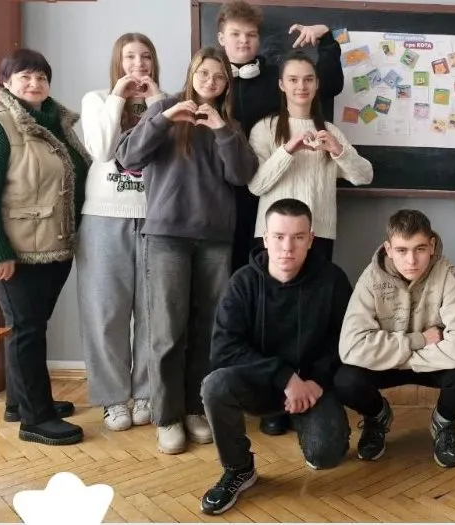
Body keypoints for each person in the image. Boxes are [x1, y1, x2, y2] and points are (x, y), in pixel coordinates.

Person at [115, 46, 258, 455]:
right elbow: (126, 157)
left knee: (207, 328)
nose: (210, 82)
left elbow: (243, 175)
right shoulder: (165, 109)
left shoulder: (229, 124)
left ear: (227, 84)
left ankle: (196, 408)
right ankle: (167, 416)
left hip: (215, 239)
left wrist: (221, 129)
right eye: (204, 73)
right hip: (167, 237)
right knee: (167, 330)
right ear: (192, 73)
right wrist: (162, 119)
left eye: (219, 76)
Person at [200, 199, 352, 516]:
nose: (288, 248)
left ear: (311, 239)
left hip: (310, 387)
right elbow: (224, 349)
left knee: (325, 455)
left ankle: (303, 421)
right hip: (259, 384)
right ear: (266, 239)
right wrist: (285, 378)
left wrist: (314, 382)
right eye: (279, 237)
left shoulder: (333, 280)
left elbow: (343, 341)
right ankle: (238, 468)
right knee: (215, 385)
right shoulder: (243, 282)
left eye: (298, 237)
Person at [0, 49, 90, 446]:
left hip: (51, 245)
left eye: (41, 77)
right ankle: (36, 418)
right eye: (24, 76)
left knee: (29, 326)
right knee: (27, 329)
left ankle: (20, 401)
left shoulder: (55, 123)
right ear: (6, 82)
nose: (34, 83)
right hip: (17, 251)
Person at [335, 209, 455, 468]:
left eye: (420, 249)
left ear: (432, 246)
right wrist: (418, 341)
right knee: (345, 380)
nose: (411, 260)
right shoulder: (371, 278)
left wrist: (395, 353)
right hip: (416, 355)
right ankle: (377, 417)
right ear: (388, 249)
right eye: (402, 250)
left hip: (419, 362)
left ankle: (443, 422)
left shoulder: (447, 275)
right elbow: (350, 348)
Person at [215, 0, 344, 275]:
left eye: (251, 34)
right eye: (236, 34)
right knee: (223, 275)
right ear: (221, 38)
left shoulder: (277, 79)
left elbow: (329, 83)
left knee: (264, 273)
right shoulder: (210, 79)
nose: (243, 41)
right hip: (219, 192)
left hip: (267, 190)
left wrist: (326, 39)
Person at [78, 33, 166, 432]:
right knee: (105, 313)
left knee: (153, 312)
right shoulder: (97, 99)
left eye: (145, 56)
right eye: (130, 56)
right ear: (118, 61)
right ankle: (113, 399)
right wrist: (118, 96)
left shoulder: (164, 102)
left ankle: (147, 391)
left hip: (156, 217)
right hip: (104, 216)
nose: (138, 64)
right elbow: (101, 150)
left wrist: (155, 102)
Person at [248, 52, 372, 266]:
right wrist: (288, 150)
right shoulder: (264, 128)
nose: (301, 86)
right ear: (281, 85)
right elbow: (256, 186)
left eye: (308, 79)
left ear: (317, 84)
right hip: (274, 234)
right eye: (293, 80)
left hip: (318, 233)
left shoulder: (330, 131)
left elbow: (365, 176)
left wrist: (338, 151)